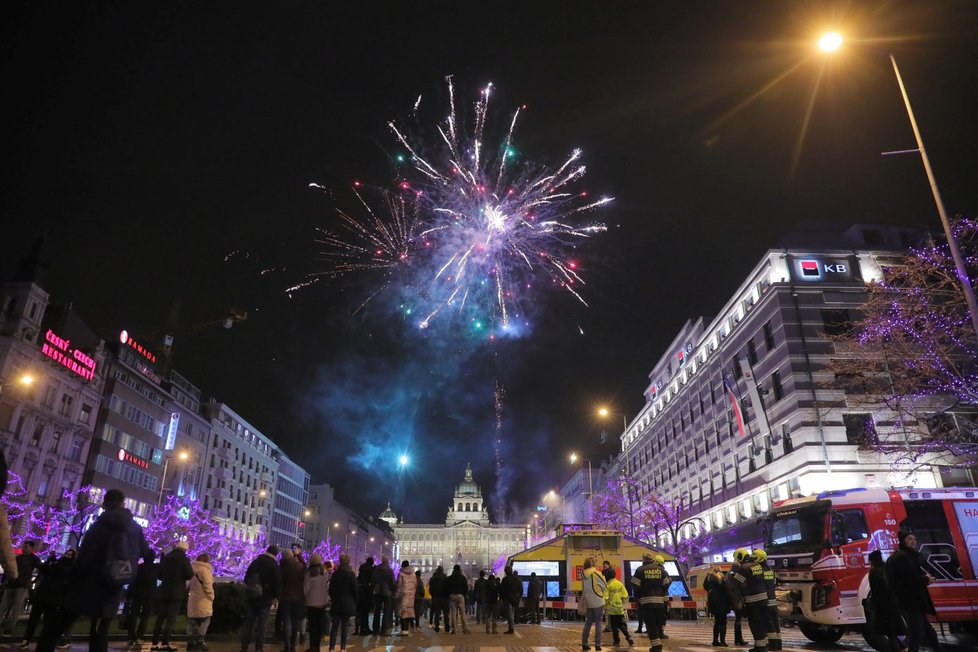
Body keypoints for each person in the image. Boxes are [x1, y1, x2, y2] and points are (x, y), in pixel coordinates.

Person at [36, 489, 150, 652]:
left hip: (90, 583)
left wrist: (71, 581)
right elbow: (147, 553)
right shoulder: (135, 528)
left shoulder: (100, 525)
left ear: (105, 503)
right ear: (123, 504)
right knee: (99, 633)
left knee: (56, 626)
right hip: (115, 585)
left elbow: (85, 557)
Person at [886, 531, 944, 652]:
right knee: (916, 635)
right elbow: (907, 579)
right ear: (903, 541)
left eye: (914, 539)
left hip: (913, 602)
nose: (913, 541)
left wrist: (924, 577)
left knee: (929, 633)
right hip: (911, 602)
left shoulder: (904, 556)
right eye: (910, 539)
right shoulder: (902, 557)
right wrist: (926, 579)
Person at [21, 549, 76, 649]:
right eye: (67, 553)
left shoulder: (68, 566)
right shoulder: (56, 563)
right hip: (43, 595)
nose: (67, 556)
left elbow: (62, 573)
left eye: (70, 555)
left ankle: (47, 642)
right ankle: (27, 639)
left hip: (53, 598)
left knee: (48, 622)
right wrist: (49, 561)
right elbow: (44, 570)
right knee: (34, 619)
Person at [152, 541, 194, 652]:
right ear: (185, 549)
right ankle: (165, 643)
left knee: (160, 618)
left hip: (164, 591)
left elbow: (159, 575)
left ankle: (155, 643)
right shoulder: (184, 559)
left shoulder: (166, 558)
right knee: (170, 619)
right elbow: (189, 574)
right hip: (176, 593)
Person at [240, 545, 282, 652]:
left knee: (248, 622)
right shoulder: (273, 565)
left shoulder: (255, 562)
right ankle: (259, 648)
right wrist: (276, 596)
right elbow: (277, 584)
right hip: (266, 598)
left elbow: (246, 578)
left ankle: (244, 646)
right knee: (262, 623)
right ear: (276, 554)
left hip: (252, 596)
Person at [864, 549, 905, 652]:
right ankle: (903, 647)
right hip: (891, 605)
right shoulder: (885, 569)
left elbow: (876, 590)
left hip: (882, 608)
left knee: (884, 633)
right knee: (890, 633)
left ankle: (900, 648)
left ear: (872, 561)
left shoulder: (874, 572)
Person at [0, 539, 42, 635]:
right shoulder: (18, 558)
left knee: (16, 608)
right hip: (11, 584)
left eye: (26, 547)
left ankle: (10, 628)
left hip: (21, 586)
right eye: (23, 546)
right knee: (3, 606)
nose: (23, 548)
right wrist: (5, 581)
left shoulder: (34, 559)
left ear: (31, 548)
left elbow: (41, 569)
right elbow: (9, 570)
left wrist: (33, 581)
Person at [729, 551, 768, 652]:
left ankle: (760, 647)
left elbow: (735, 584)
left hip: (752, 600)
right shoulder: (757, 565)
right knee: (762, 622)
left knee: (755, 623)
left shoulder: (743, 568)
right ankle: (764, 645)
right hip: (764, 598)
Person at [631, 553, 670, 652]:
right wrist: (661, 593)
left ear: (643, 559)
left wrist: (638, 599)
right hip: (660, 602)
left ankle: (657, 647)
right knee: (658, 624)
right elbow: (667, 584)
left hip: (646, 602)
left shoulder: (640, 570)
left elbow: (635, 586)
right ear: (652, 559)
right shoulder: (661, 570)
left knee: (651, 626)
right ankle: (657, 646)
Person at [125, 550, 158, 649]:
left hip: (137, 595)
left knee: (133, 615)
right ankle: (140, 636)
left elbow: (132, 582)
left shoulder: (139, 568)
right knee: (145, 617)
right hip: (148, 596)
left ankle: (131, 637)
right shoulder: (154, 568)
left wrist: (129, 595)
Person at [328, 554, 358, 652]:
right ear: (348, 562)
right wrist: (354, 600)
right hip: (347, 603)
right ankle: (343, 648)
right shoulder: (351, 574)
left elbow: (331, 589)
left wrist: (334, 598)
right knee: (344, 627)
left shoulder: (336, 574)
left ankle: (331, 648)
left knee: (334, 627)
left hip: (336, 602)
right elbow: (355, 590)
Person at [279, 548, 307, 652]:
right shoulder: (299, 566)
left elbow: (279, 582)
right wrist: (299, 555)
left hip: (285, 596)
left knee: (286, 621)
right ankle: (293, 645)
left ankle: (287, 645)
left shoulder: (281, 567)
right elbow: (305, 567)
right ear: (292, 556)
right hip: (298, 597)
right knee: (295, 621)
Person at [187, 553, 215, 651]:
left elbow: (188, 585)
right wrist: (212, 596)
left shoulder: (191, 569)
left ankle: (190, 641)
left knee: (192, 620)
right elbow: (208, 586)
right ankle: (200, 639)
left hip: (193, 599)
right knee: (205, 620)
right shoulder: (205, 571)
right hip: (203, 599)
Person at [303, 554, 330, 652]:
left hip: (312, 602)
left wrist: (304, 598)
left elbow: (306, 588)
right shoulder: (324, 572)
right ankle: (317, 646)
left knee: (313, 625)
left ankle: (313, 646)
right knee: (319, 625)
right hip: (322, 601)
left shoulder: (309, 573)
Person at [754, 551, 780, 652]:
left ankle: (773, 646)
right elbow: (773, 584)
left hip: (766, 601)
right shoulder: (770, 570)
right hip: (773, 599)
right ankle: (778, 645)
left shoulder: (760, 571)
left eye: (755, 558)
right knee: (775, 624)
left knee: (769, 624)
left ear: (759, 559)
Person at [580, 558, 607, 651]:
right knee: (598, 622)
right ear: (593, 564)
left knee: (588, 622)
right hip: (598, 599)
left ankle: (584, 643)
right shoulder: (596, 573)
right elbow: (604, 585)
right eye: (596, 563)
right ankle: (598, 644)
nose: (597, 565)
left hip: (588, 600)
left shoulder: (582, 574)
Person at [725, 549, 751, 646]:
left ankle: (738, 638)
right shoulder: (735, 573)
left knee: (738, 619)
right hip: (736, 599)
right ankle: (738, 639)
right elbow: (743, 583)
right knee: (738, 619)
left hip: (735, 598)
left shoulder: (730, 573)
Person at [604, 566, 634, 647]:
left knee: (614, 626)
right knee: (621, 624)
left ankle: (617, 641)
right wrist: (623, 604)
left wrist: (605, 607)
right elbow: (626, 595)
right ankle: (629, 637)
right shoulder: (620, 584)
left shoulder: (608, 586)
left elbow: (606, 598)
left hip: (611, 609)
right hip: (620, 608)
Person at [704, 564, 731, 647]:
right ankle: (722, 641)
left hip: (714, 604)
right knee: (723, 623)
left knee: (717, 622)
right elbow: (727, 591)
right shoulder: (723, 579)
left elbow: (705, 587)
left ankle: (715, 641)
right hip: (722, 604)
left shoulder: (709, 579)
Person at [371, 556, 395, 635]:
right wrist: (392, 590)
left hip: (377, 592)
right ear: (387, 562)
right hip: (387, 593)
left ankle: (375, 630)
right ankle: (384, 630)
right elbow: (392, 582)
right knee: (386, 612)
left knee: (376, 611)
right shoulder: (389, 570)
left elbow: (373, 581)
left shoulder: (376, 570)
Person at [395, 560, 418, 634]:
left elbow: (399, 584)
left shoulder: (401, 573)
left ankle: (404, 630)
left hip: (403, 594)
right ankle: (407, 629)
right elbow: (415, 584)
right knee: (409, 611)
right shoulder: (413, 574)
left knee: (403, 611)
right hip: (411, 594)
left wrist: (396, 593)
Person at [447, 564, 470, 634]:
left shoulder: (450, 578)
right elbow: (466, 588)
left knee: (453, 613)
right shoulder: (462, 578)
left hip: (452, 596)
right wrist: (463, 594)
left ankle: (454, 628)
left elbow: (446, 587)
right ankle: (465, 628)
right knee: (462, 613)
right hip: (460, 596)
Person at [354, 557, 374, 636]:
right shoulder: (370, 570)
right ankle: (363, 629)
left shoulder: (362, 568)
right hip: (366, 592)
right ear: (371, 562)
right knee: (365, 612)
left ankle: (357, 630)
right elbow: (371, 581)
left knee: (359, 612)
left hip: (360, 591)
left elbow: (358, 579)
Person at [500, 566, 522, 635]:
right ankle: (511, 627)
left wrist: (501, 598)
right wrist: (518, 596)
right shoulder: (517, 579)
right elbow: (520, 589)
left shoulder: (505, 579)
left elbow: (502, 590)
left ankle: (511, 628)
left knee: (509, 614)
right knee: (512, 612)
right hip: (515, 599)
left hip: (507, 599)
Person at [428, 565, 449, 632]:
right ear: (442, 570)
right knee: (446, 613)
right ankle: (447, 627)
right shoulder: (445, 577)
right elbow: (448, 587)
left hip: (436, 597)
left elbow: (430, 589)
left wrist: (433, 595)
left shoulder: (433, 578)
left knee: (437, 613)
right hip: (444, 597)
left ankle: (436, 627)